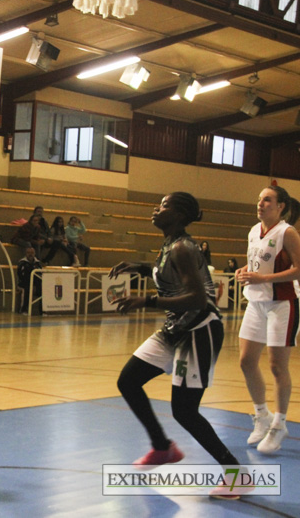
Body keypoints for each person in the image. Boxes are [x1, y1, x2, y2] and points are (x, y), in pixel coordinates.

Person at [110, 192, 241, 498]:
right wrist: (142, 267)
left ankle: (236, 473)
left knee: (184, 411)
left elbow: (197, 298)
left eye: (165, 205)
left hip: (199, 330)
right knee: (128, 381)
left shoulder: (183, 247)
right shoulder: (171, 242)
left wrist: (147, 300)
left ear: (179, 215)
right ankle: (162, 447)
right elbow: (170, 275)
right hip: (177, 328)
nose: (157, 208)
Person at [236, 185, 300, 454]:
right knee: (246, 361)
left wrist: (263, 279)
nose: (261, 204)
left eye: (267, 200)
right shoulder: (253, 230)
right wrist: (246, 271)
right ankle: (261, 416)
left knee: (277, 366)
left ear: (281, 206)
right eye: (259, 199)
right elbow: (257, 264)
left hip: (282, 304)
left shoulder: (288, 232)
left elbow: (299, 270)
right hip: (256, 302)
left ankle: (279, 424)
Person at [17, 246, 43, 314]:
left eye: (32, 253)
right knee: (26, 289)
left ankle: (42, 310)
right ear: (25, 254)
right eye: (28, 253)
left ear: (35, 253)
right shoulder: (22, 263)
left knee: (42, 289)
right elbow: (21, 276)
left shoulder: (38, 263)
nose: (30, 254)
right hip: (23, 283)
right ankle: (23, 309)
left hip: (35, 283)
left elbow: (40, 274)